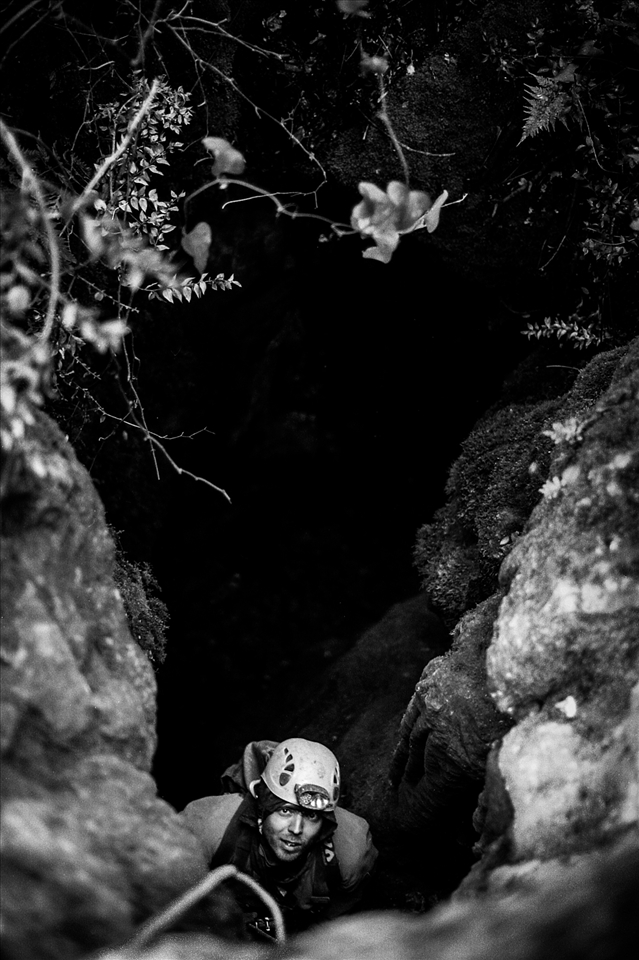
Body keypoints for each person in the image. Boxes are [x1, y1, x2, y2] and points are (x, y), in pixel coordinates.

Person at [179, 738, 378, 937]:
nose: (296, 829)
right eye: (285, 811)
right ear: (262, 807)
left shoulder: (350, 853)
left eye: (311, 815)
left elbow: (342, 907)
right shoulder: (210, 828)